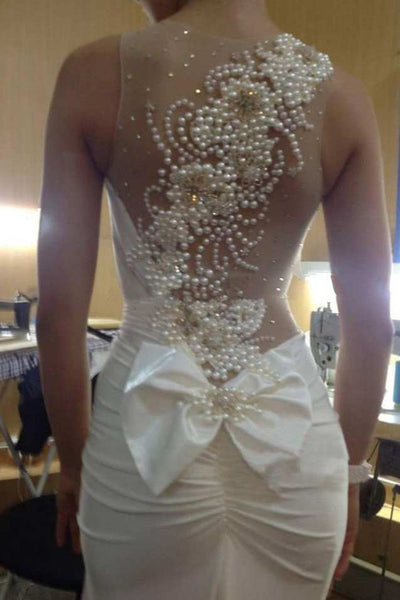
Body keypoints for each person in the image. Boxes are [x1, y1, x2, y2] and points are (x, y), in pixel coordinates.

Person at [36, 0, 393, 598]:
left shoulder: (93, 73)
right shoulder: (343, 97)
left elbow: (57, 319)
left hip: (142, 442)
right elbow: (373, 326)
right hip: (298, 450)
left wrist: (72, 466)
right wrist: (351, 472)